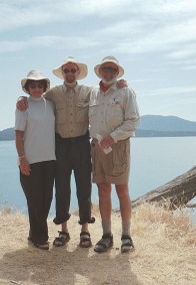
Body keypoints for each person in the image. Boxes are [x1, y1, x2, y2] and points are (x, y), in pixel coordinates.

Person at [16, 57, 127, 249]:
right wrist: (20, 99)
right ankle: (64, 231)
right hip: (60, 147)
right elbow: (34, 98)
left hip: (82, 145)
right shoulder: (53, 94)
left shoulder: (89, 92)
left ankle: (85, 231)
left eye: (72, 71)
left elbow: (106, 91)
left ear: (77, 73)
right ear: (63, 73)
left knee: (84, 188)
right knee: (62, 189)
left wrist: (119, 85)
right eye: (66, 71)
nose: (69, 74)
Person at [89, 56, 140, 253]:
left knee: (122, 190)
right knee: (103, 190)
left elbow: (133, 121)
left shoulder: (126, 91)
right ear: (100, 72)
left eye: (112, 70)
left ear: (117, 73)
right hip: (97, 147)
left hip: (118, 146)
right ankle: (106, 235)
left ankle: (126, 236)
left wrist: (114, 136)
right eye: (105, 69)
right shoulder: (92, 93)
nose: (109, 73)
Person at [15, 70, 56, 250]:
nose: (37, 88)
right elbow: (18, 136)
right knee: (34, 200)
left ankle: (33, 234)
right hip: (30, 160)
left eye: (40, 85)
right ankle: (41, 238)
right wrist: (22, 158)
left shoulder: (51, 104)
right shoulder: (23, 106)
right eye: (33, 85)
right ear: (28, 88)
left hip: (50, 159)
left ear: (45, 87)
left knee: (46, 199)